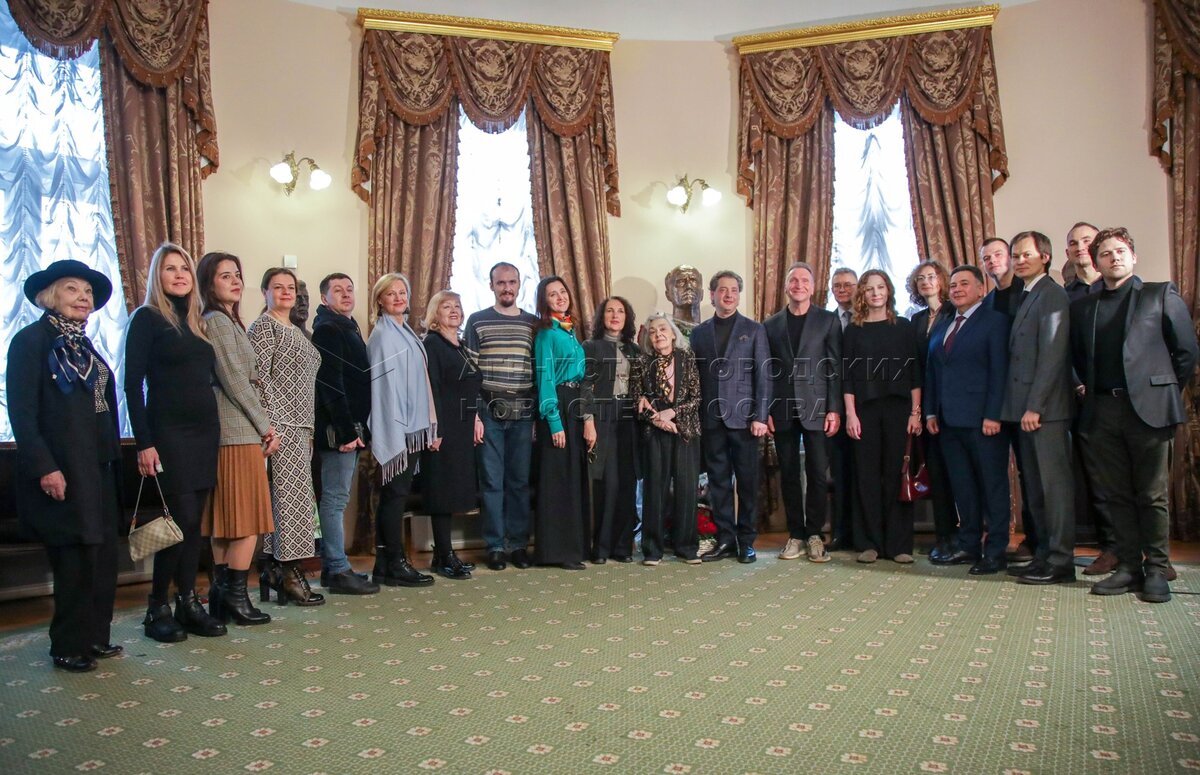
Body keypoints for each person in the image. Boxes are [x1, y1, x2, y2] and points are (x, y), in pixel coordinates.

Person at [1070, 227, 1198, 603]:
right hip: (1103, 410)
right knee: (1117, 494)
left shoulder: (1160, 294)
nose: (1114, 257)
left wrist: (1161, 390)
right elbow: (1078, 357)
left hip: (1149, 409)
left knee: (1152, 494)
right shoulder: (1084, 307)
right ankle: (1128, 566)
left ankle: (1157, 568)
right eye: (1106, 253)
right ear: (1096, 263)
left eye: (1121, 251)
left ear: (1133, 256)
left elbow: (1186, 351)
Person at [7, 261, 123, 671]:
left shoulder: (84, 345)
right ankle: (68, 644)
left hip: (98, 467)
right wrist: (45, 467)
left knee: (102, 554)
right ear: (50, 296)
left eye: (87, 292)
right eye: (73, 289)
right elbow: (22, 414)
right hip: (63, 468)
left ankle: (96, 636)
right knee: (74, 558)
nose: (83, 297)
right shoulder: (30, 341)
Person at [124, 243, 226, 641]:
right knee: (179, 520)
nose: (180, 274)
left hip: (205, 433)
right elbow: (132, 386)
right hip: (169, 434)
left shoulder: (198, 322)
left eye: (184, 268)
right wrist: (144, 443)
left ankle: (187, 602)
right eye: (170, 268)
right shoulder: (147, 318)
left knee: (193, 522)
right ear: (157, 276)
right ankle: (157, 608)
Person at [196, 252, 275, 625]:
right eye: (225, 275)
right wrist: (265, 425)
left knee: (229, 521)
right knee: (245, 521)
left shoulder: (227, 320)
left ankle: (221, 597)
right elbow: (234, 380)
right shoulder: (217, 321)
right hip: (237, 430)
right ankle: (235, 598)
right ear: (209, 283)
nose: (235, 281)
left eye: (237, 274)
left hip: (232, 430)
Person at [999, 232, 1077, 585]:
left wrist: (1035, 407)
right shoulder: (1028, 294)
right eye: (1015, 255)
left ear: (1045, 257)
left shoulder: (1052, 294)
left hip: (1045, 412)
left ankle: (1061, 562)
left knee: (1054, 490)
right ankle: (1044, 556)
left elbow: (1052, 355)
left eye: (1026, 254)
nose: (1019, 261)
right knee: (1036, 490)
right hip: (1024, 412)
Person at [925, 265, 1011, 575]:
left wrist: (994, 414)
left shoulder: (995, 321)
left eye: (964, 283)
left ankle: (996, 551)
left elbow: (1001, 371)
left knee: (992, 487)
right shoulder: (945, 322)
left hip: (983, 421)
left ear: (980, 289)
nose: (958, 289)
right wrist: (931, 411)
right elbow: (933, 370)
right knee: (963, 488)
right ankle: (968, 544)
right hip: (948, 421)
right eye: (953, 285)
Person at [249, 267, 324, 605]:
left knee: (295, 504)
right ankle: (289, 573)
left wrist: (307, 430)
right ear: (265, 292)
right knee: (288, 503)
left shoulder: (294, 329)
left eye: (290, 287)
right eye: (277, 287)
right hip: (280, 427)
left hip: (301, 427)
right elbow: (258, 379)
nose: (285, 292)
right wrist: (270, 427)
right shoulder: (263, 327)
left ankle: (274, 570)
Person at [841, 270, 923, 564]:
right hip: (864, 410)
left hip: (899, 410)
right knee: (866, 476)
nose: (876, 293)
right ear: (862, 294)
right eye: (869, 289)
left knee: (896, 475)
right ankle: (869, 543)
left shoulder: (904, 327)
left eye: (880, 287)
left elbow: (915, 373)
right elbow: (847, 377)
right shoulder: (853, 330)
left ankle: (899, 545)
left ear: (888, 291)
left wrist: (915, 413)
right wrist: (850, 414)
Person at [763, 262, 842, 563]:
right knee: (789, 474)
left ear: (812, 286)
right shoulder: (770, 325)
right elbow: (767, 371)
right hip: (782, 408)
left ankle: (815, 534)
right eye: (793, 280)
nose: (798, 285)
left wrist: (834, 409)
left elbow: (834, 368)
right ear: (786, 286)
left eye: (804, 280)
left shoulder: (827, 320)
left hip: (818, 407)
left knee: (818, 473)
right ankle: (795, 534)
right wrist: (766, 410)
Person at [691, 270, 771, 563]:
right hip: (711, 420)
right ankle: (725, 539)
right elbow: (694, 378)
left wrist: (761, 416)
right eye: (722, 290)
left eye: (734, 290)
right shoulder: (699, 333)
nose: (728, 295)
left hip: (746, 420)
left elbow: (764, 376)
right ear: (712, 295)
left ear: (739, 295)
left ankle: (746, 541)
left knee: (747, 483)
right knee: (719, 482)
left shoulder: (754, 329)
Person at [465, 262, 539, 571]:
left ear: (519, 285)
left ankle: (518, 545)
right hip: (488, 411)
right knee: (492, 481)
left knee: (519, 481)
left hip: (524, 412)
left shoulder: (533, 323)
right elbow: (470, 371)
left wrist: (536, 416)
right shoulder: (477, 320)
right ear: (491, 285)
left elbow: (538, 369)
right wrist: (474, 414)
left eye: (512, 282)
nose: (506, 288)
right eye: (501, 283)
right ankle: (495, 546)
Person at [366, 272, 436, 587]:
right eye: (390, 293)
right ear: (380, 300)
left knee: (396, 494)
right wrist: (395, 429)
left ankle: (385, 564)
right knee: (395, 496)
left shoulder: (404, 331)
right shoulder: (383, 335)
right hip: (397, 427)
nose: (398, 297)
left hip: (411, 427)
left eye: (402, 292)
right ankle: (395, 563)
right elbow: (384, 389)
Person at [311, 273, 378, 595]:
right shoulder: (328, 329)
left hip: (350, 427)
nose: (346, 294)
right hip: (338, 429)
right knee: (335, 499)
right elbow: (330, 383)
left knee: (338, 498)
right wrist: (346, 430)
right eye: (337, 290)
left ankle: (333, 567)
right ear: (325, 298)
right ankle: (337, 569)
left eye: (349, 289)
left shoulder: (347, 327)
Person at [1061, 221, 1116, 575]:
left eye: (1086, 240)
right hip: (1079, 400)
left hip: (1120, 399)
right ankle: (1108, 547)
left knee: (1124, 479)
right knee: (1092, 476)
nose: (1080, 246)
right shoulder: (1066, 296)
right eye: (1073, 242)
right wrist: (1078, 383)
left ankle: (1143, 552)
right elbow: (1062, 349)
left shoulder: (1121, 287)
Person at [980, 237, 1037, 564]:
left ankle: (1038, 539)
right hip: (998, 402)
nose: (992, 261)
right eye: (986, 258)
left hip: (1029, 399)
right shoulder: (988, 302)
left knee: (1033, 474)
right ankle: (1003, 541)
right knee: (998, 476)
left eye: (998, 255)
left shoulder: (1030, 292)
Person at [533, 275, 594, 570]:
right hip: (557, 406)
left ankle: (576, 547)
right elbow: (544, 379)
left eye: (562, 292)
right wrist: (554, 422)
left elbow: (580, 377)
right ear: (544, 302)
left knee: (573, 477)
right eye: (552, 294)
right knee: (558, 480)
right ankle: (557, 551)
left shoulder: (570, 331)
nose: (560, 297)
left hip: (574, 404)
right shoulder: (546, 334)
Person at [421, 290, 482, 580]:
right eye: (447, 306)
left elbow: (470, 386)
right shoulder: (432, 344)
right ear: (436, 313)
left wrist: (476, 417)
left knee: (453, 489)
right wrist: (436, 429)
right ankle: (444, 555)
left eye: (457, 306)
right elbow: (431, 388)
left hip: (462, 427)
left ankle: (442, 554)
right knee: (442, 491)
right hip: (442, 427)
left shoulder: (461, 345)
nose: (454, 310)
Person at [637, 313, 702, 565]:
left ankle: (686, 548)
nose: (658, 334)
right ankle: (652, 550)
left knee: (686, 489)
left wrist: (672, 413)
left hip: (685, 431)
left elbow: (696, 398)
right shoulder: (643, 362)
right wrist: (658, 420)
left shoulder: (687, 358)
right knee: (655, 490)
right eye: (653, 331)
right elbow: (636, 399)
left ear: (673, 334)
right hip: (655, 431)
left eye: (663, 329)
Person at [584, 296, 643, 563]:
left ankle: (622, 548)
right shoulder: (590, 346)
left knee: (627, 484)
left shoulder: (634, 349)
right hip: (603, 417)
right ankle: (601, 548)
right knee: (607, 484)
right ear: (602, 316)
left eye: (620, 311)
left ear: (627, 318)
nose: (615, 315)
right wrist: (588, 420)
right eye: (610, 311)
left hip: (630, 419)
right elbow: (584, 385)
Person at [906, 260, 957, 562]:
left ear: (941, 281)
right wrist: (917, 410)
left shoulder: (954, 312)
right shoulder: (916, 319)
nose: (926, 281)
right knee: (935, 472)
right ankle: (944, 536)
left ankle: (967, 536)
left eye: (931, 276)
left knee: (956, 473)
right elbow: (913, 364)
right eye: (920, 278)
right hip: (924, 405)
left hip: (950, 403)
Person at [828, 267, 859, 551]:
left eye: (848, 284)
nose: (842, 289)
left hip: (867, 407)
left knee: (865, 473)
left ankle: (864, 532)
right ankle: (840, 531)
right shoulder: (826, 321)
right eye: (837, 285)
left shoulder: (869, 319)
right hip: (834, 409)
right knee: (839, 473)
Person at [1063, 222, 1103, 302]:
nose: (1080, 248)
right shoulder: (1064, 297)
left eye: (1086, 241)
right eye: (1073, 243)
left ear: (1100, 246)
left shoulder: (1117, 287)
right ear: (1067, 253)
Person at [665, 265, 703, 338]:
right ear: (668, 294)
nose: (689, 286)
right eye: (680, 282)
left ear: (702, 293)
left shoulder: (712, 333)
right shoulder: (661, 335)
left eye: (693, 281)